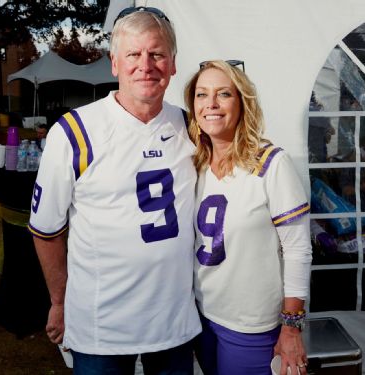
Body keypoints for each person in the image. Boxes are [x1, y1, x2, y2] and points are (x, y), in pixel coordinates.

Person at [28, 6, 201, 375]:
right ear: (114, 63)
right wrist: (59, 301)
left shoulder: (191, 126)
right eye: (134, 54)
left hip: (173, 323)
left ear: (172, 64)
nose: (146, 64)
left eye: (156, 54)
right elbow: (46, 231)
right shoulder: (75, 131)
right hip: (101, 326)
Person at [184, 60, 312, 375]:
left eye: (223, 94)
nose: (210, 104)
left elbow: (297, 248)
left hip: (250, 325)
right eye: (201, 95)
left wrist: (291, 327)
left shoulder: (271, 163)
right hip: (202, 316)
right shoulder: (193, 163)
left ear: (242, 102)